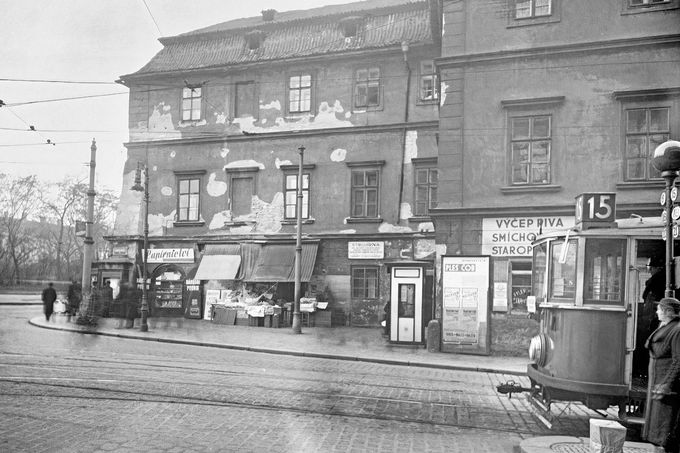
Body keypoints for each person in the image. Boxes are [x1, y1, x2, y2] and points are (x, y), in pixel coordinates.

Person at [645, 297, 680, 452]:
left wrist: (667, 384)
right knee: (657, 430)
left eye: (659, 309)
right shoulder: (667, 326)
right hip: (658, 385)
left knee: (664, 431)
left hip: (665, 388)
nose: (657, 311)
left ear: (668, 311)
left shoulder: (677, 330)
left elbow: (678, 360)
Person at [635, 256, 666, 376]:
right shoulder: (665, 278)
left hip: (652, 318)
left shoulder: (656, 280)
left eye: (651, 268)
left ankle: (643, 371)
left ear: (655, 268)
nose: (650, 271)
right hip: (654, 318)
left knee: (644, 342)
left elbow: (646, 296)